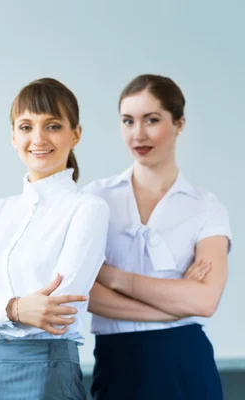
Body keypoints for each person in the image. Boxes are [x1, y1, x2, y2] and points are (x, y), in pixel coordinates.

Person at [0, 78, 109, 400]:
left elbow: (55, 313)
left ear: (75, 134)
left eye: (52, 125)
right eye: (26, 127)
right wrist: (15, 309)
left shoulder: (87, 209)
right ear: (13, 136)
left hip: (47, 369)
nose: (38, 139)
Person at [84, 74, 231, 400]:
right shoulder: (95, 199)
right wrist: (174, 306)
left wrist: (110, 275)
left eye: (152, 120)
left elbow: (204, 301)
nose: (138, 134)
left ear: (179, 123)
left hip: (186, 361)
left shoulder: (206, 207)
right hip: (116, 362)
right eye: (128, 121)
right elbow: (84, 294)